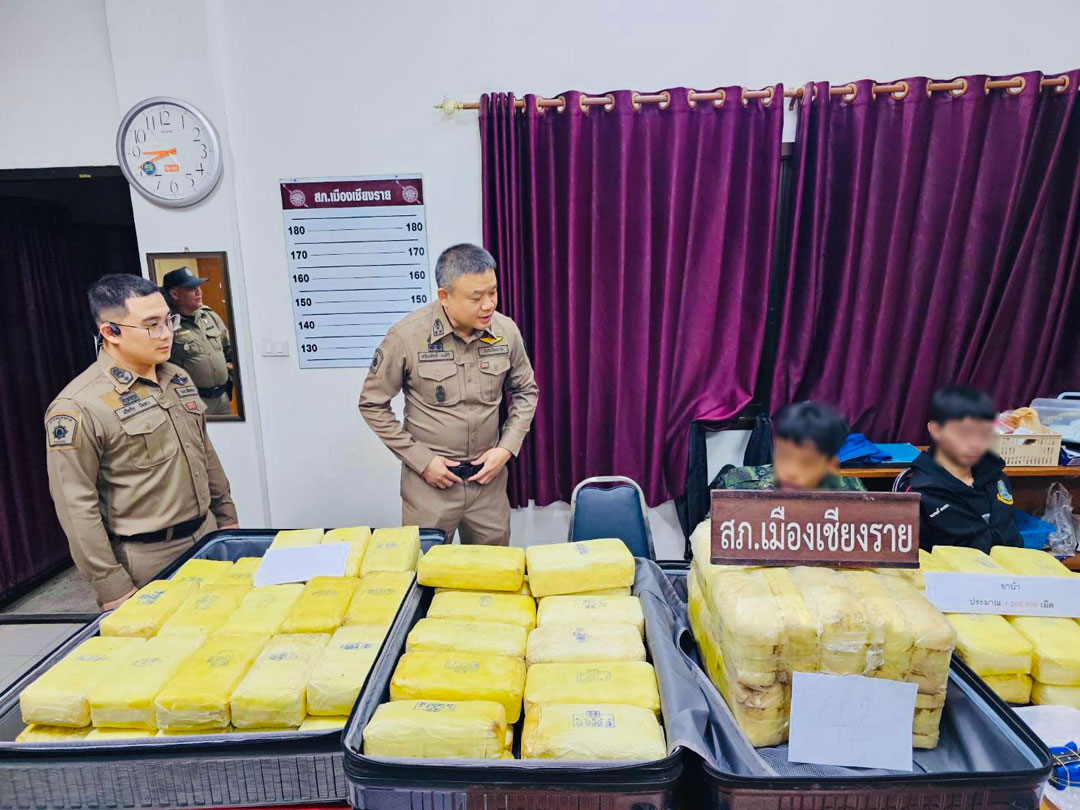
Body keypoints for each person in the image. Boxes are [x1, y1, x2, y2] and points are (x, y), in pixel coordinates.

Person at [44, 274, 238, 610]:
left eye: (168, 320)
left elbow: (205, 453)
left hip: (208, 539)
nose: (166, 334)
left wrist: (227, 520)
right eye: (151, 325)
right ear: (110, 332)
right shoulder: (78, 406)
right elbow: (76, 506)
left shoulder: (177, 377)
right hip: (147, 559)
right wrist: (112, 586)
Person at [359, 244, 538, 545]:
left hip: (488, 485)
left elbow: (526, 391)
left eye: (493, 292)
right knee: (425, 566)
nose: (488, 305)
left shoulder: (506, 331)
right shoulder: (407, 336)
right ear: (445, 296)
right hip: (430, 486)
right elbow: (371, 404)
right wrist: (422, 461)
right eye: (476, 298)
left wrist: (506, 449)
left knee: (493, 569)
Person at [908, 385, 1021, 552]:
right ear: (935, 430)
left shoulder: (997, 477)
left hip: (1010, 566)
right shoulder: (919, 492)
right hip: (951, 568)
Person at [718, 401, 865, 492]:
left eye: (806, 462)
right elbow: (711, 530)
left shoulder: (853, 494)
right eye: (785, 457)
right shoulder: (738, 487)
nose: (791, 471)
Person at [162, 266, 234, 416]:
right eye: (191, 288)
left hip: (222, 398)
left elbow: (229, 350)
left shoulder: (209, 316)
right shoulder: (167, 324)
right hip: (191, 401)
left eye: (198, 287)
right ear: (175, 294)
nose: (198, 292)